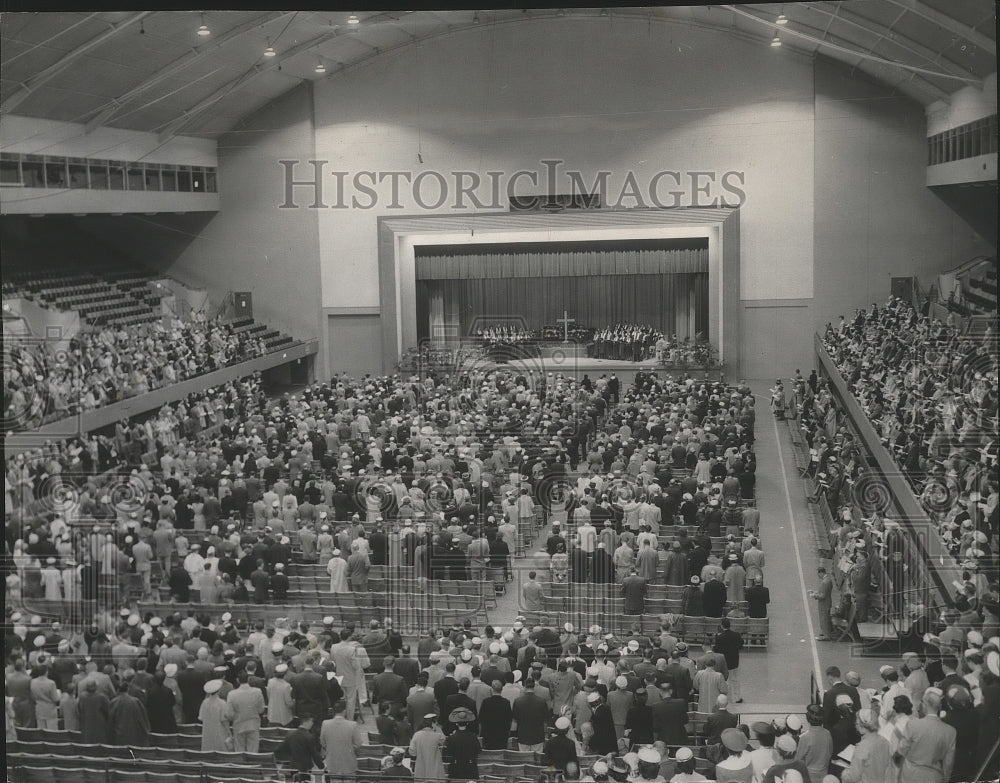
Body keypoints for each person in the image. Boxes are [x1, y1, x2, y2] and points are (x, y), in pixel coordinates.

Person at [897, 688, 955, 783]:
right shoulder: (950, 731)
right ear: (939, 706)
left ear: (924, 705)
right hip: (934, 777)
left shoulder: (912, 725)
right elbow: (948, 763)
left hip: (910, 775)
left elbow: (901, 750)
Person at [839, 709, 892, 783]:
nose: (856, 726)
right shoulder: (885, 742)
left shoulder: (862, 746)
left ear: (862, 725)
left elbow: (853, 777)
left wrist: (844, 773)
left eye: (856, 723)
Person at [320, 699, 367, 780]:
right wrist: (349, 747)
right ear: (344, 711)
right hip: (348, 763)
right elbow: (359, 744)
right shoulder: (352, 725)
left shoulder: (325, 724)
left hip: (332, 763)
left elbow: (322, 743)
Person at [275, 714, 323, 781]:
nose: (312, 724)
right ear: (307, 722)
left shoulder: (290, 734)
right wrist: (321, 766)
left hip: (293, 766)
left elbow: (279, 750)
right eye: (312, 721)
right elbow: (314, 754)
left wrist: (289, 757)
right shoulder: (309, 737)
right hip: (305, 768)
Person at [227, 670, 266, 752]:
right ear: (248, 679)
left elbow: (229, 714)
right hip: (253, 724)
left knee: (239, 751)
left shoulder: (232, 694)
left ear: (237, 680)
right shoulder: (257, 692)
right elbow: (261, 710)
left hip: (238, 725)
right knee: (253, 751)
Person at [443, 706, 480, 782]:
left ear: (456, 723)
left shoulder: (451, 738)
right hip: (470, 770)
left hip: (456, 770)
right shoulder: (473, 736)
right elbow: (478, 750)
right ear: (467, 723)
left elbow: (445, 755)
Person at [409, 713, 447, 782]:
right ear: (433, 723)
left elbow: (412, 752)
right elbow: (444, 740)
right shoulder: (437, 736)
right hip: (435, 773)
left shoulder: (416, 735)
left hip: (421, 772)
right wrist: (437, 728)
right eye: (436, 723)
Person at [199, 678, 233, 751]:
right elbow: (224, 721)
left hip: (207, 732)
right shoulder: (222, 703)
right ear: (219, 690)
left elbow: (201, 718)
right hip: (220, 732)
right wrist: (229, 733)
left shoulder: (204, 703)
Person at [479, 679, 513, 750]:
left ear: (492, 689)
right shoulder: (506, 703)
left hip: (488, 736)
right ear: (501, 689)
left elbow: (481, 718)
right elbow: (509, 719)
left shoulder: (486, 702)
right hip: (502, 736)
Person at [78, 679, 111, 744]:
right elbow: (109, 711)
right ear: (96, 687)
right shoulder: (102, 697)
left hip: (86, 725)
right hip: (99, 726)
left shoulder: (82, 697)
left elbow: (79, 710)